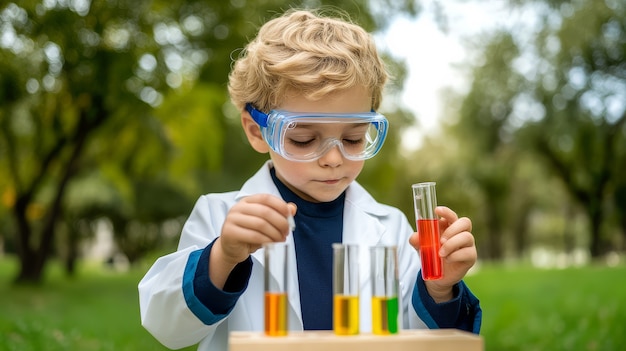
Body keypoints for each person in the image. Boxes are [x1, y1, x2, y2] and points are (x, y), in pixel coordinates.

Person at [138, 8, 481, 351]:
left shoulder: (390, 227)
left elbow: (420, 337)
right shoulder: (218, 216)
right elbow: (166, 327)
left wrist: (440, 289)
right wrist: (223, 256)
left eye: (353, 138)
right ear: (257, 131)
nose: (333, 159)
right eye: (303, 139)